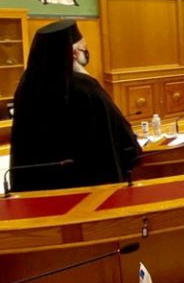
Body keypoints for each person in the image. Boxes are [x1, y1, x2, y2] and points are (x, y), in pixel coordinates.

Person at [10, 20, 141, 192]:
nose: (86, 52)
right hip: (88, 188)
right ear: (72, 53)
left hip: (38, 189)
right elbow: (122, 137)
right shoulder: (85, 87)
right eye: (83, 48)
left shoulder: (26, 86)